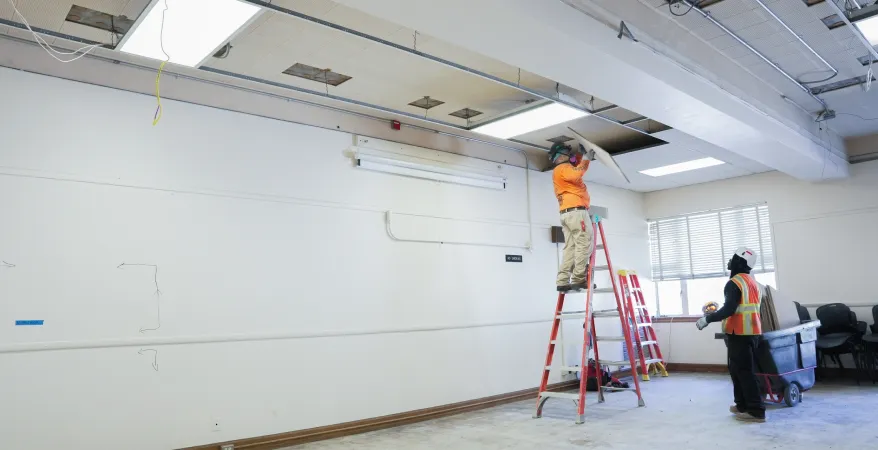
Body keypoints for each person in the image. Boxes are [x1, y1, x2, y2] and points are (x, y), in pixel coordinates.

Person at [696, 247, 766, 423]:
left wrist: (708, 319)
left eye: (733, 258)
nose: (730, 261)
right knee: (738, 370)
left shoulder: (734, 282)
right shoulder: (752, 282)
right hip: (751, 332)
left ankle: (756, 411)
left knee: (744, 372)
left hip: (740, 333)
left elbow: (729, 309)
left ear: (740, 262)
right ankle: (742, 405)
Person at [549, 142, 595, 292]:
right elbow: (576, 173)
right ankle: (578, 278)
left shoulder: (559, 171)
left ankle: (562, 280)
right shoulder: (563, 168)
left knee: (570, 247)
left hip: (566, 213)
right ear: (561, 155)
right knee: (584, 243)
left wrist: (581, 156)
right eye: (567, 153)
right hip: (577, 212)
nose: (570, 156)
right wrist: (586, 159)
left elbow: (575, 169)